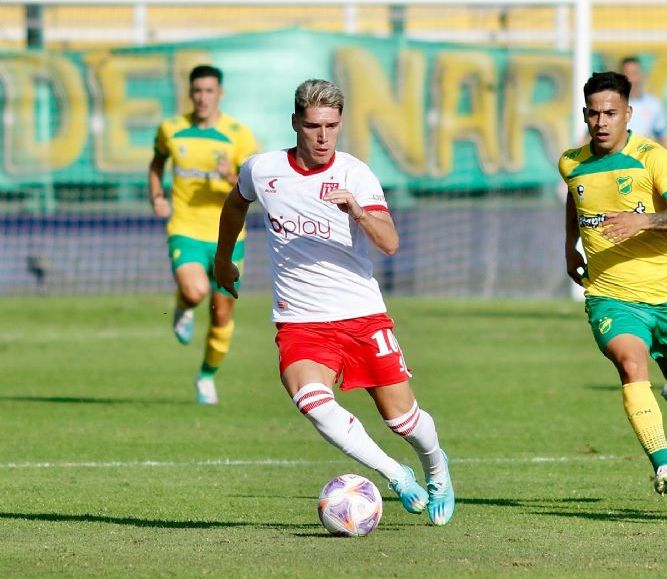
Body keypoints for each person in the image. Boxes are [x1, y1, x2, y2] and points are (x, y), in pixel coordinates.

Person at [213, 79, 455, 525]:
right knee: (310, 399)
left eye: (332, 126)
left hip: (361, 316)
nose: (323, 137)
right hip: (301, 322)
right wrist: (224, 259)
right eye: (313, 126)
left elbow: (390, 243)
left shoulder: (354, 173)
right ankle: (395, 475)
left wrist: (357, 212)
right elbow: (234, 205)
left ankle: (437, 466)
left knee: (402, 420)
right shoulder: (263, 170)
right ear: (295, 124)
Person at [559, 71, 667, 498]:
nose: (601, 121)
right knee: (630, 364)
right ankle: (664, 466)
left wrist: (642, 220)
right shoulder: (572, 161)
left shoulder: (654, 158)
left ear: (628, 113)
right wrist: (570, 245)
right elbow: (577, 194)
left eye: (610, 112)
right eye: (593, 113)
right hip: (611, 295)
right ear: (585, 115)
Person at [149, 64, 259, 405]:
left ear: (220, 94)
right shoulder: (172, 129)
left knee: (222, 313)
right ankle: (183, 306)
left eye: (209, 91)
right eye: (197, 91)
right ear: (190, 93)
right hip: (185, 227)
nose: (202, 97)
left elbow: (251, 187)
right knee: (196, 291)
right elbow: (156, 164)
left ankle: (206, 376)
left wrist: (230, 177)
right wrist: (157, 197)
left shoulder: (239, 135)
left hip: (228, 235)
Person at [619, 56, 667, 150]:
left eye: (634, 73)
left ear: (641, 75)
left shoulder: (653, 104)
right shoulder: (611, 103)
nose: (630, 78)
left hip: (643, 158)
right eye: (627, 73)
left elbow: (662, 136)